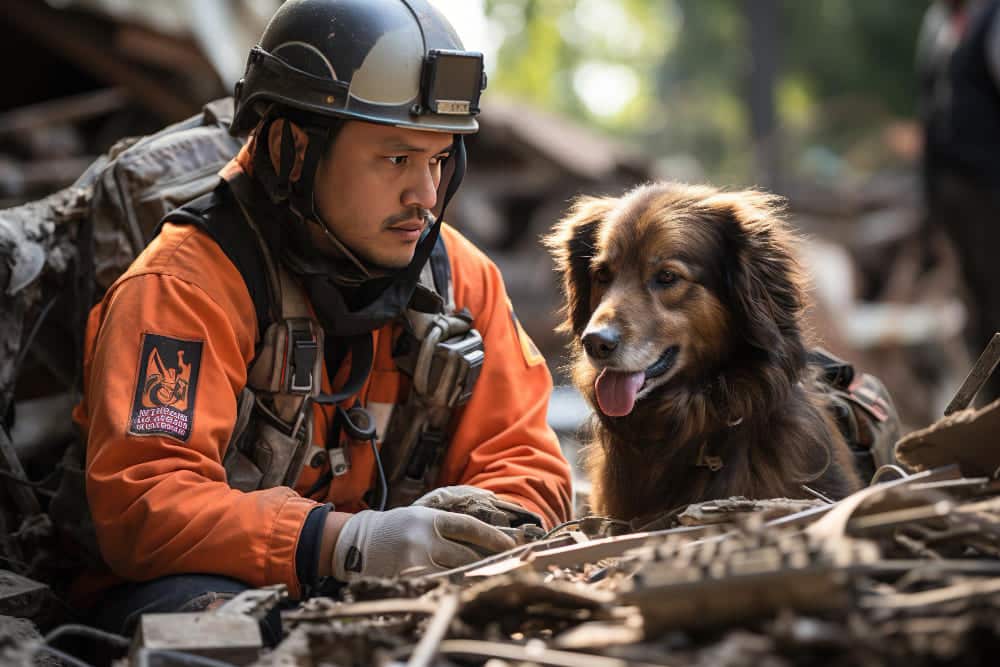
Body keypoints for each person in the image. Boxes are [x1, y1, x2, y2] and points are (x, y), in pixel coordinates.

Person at [72, 0, 572, 642]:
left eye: (439, 161)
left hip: (391, 590)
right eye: (395, 159)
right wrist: (344, 543)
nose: (424, 194)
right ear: (289, 150)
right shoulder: (182, 288)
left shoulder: (460, 279)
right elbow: (146, 504)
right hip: (204, 589)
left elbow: (525, 459)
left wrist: (478, 525)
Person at [917, 0, 1000, 403]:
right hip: (954, 198)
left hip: (991, 191)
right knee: (979, 307)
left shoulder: (993, 18)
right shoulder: (938, 23)